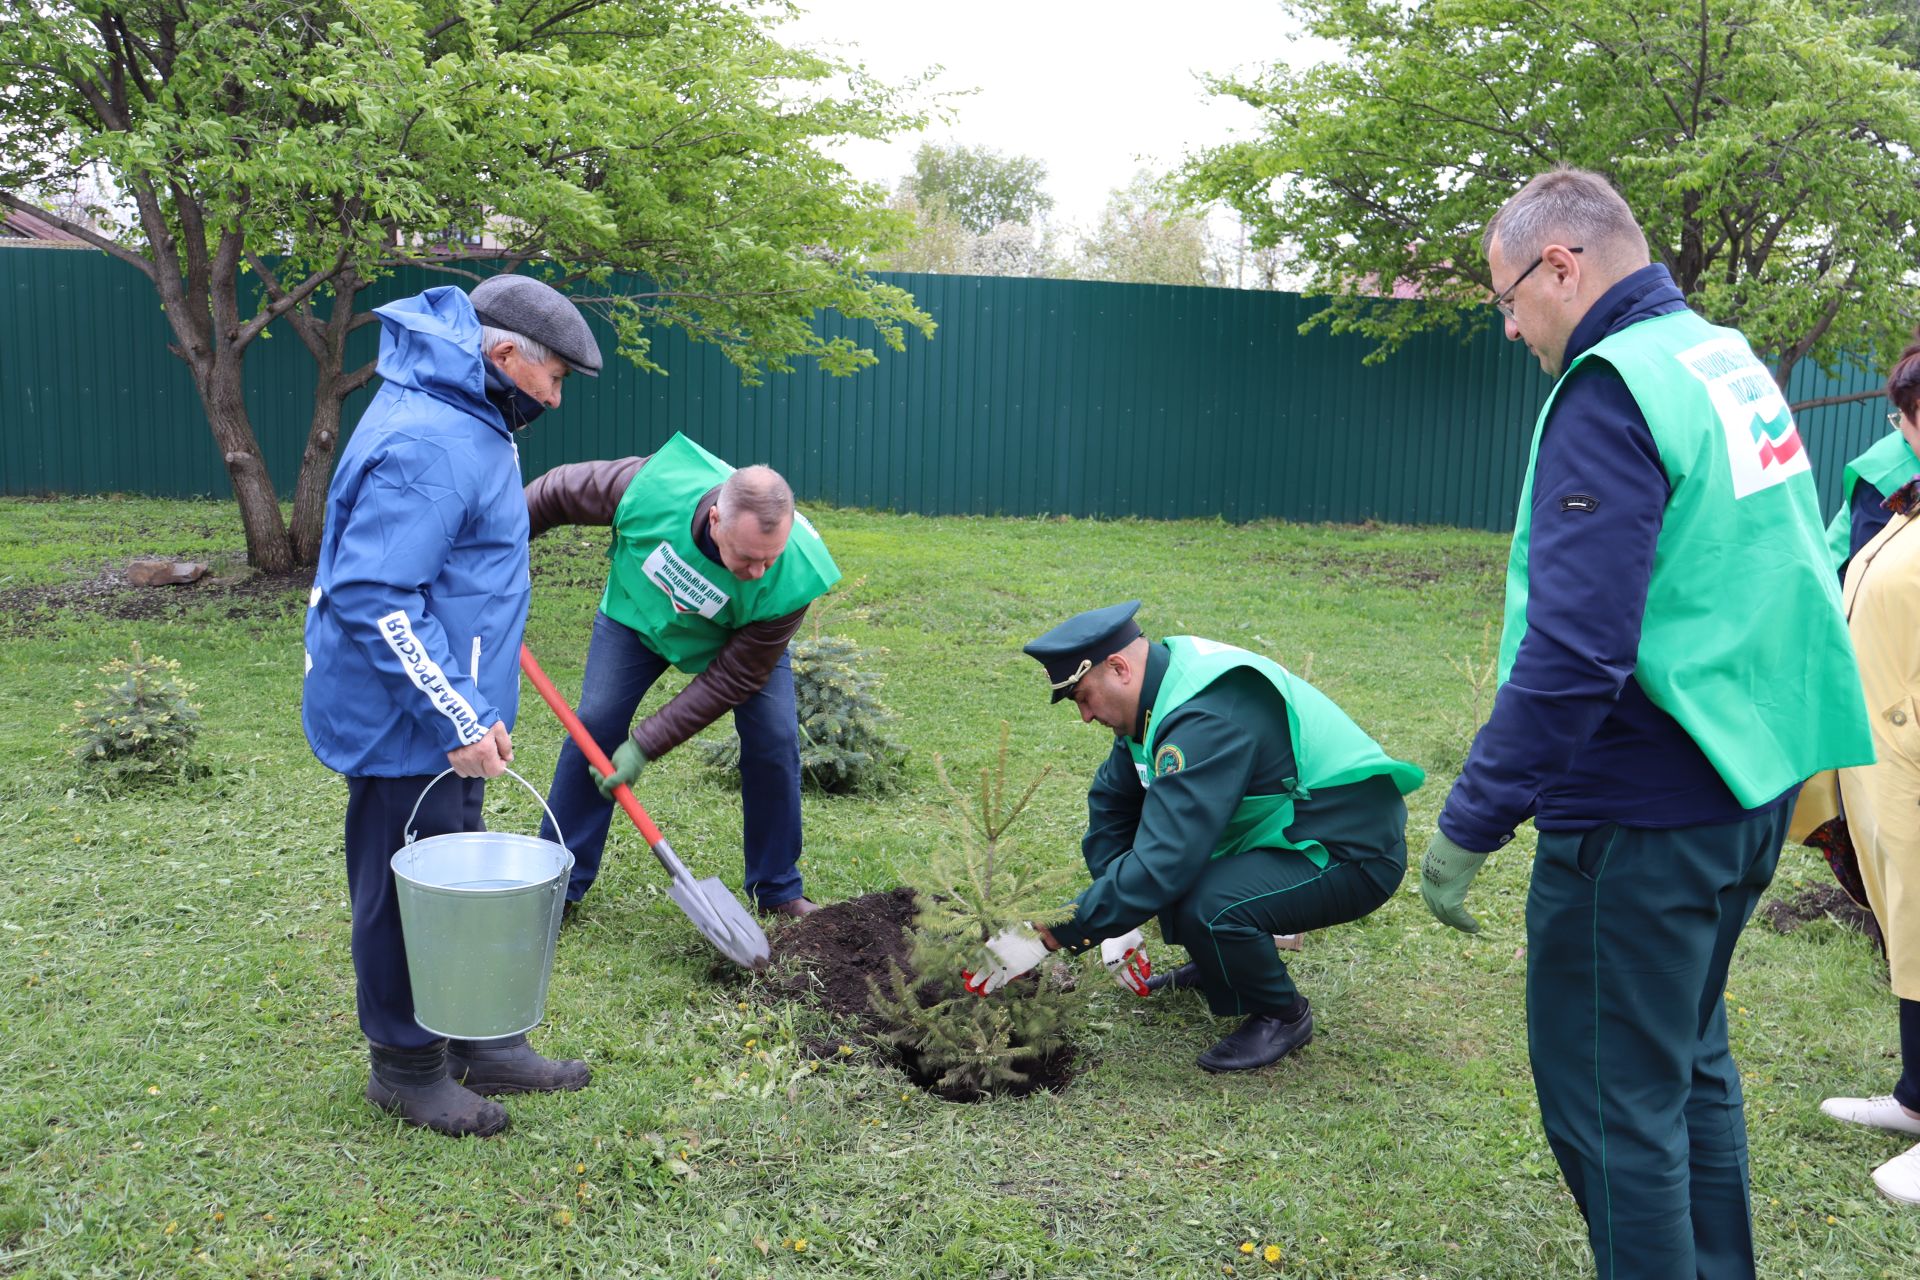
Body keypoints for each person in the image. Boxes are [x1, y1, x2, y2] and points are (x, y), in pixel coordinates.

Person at [1417, 167, 1872, 1276]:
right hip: (1747, 783)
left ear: (1560, 265)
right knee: (1686, 1064)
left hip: (1640, 819)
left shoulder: (1609, 384)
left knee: (1616, 1112)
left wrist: (1471, 818)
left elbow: (1576, 651)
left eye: (1508, 298)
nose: (1513, 325)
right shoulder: (1723, 360)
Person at [303, 273, 603, 1138]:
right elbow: (375, 594)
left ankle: (474, 1037)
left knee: (453, 874)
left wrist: (471, 705)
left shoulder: (471, 413)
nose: (554, 398)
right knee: (408, 890)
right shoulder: (432, 438)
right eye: (553, 380)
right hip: (407, 720)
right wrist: (455, 716)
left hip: (448, 705)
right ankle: (405, 1068)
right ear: (504, 355)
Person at [968, 601, 1423, 1074]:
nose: (1084, 715)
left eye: (1083, 697)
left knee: (1205, 900)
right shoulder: (1159, 694)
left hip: (1348, 852)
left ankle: (1282, 1015)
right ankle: (1219, 968)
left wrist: (1047, 936)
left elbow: (1165, 864)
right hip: (1285, 836)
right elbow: (1111, 806)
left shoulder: (1204, 717)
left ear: (1119, 667)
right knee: (1167, 879)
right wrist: (1116, 916)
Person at [524, 432, 840, 919]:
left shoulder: (792, 576)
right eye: (747, 557)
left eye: (768, 559)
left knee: (775, 739)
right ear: (716, 518)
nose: (758, 571)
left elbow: (733, 678)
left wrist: (646, 744)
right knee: (597, 721)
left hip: (739, 637)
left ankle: (778, 888)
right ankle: (556, 885)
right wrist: (491, 552)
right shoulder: (650, 488)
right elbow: (554, 493)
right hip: (639, 612)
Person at [1817, 335, 1920, 1205]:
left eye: (1901, 416)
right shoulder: (1908, 503)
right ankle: (1916, 1100)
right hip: (1890, 760)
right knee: (1911, 934)